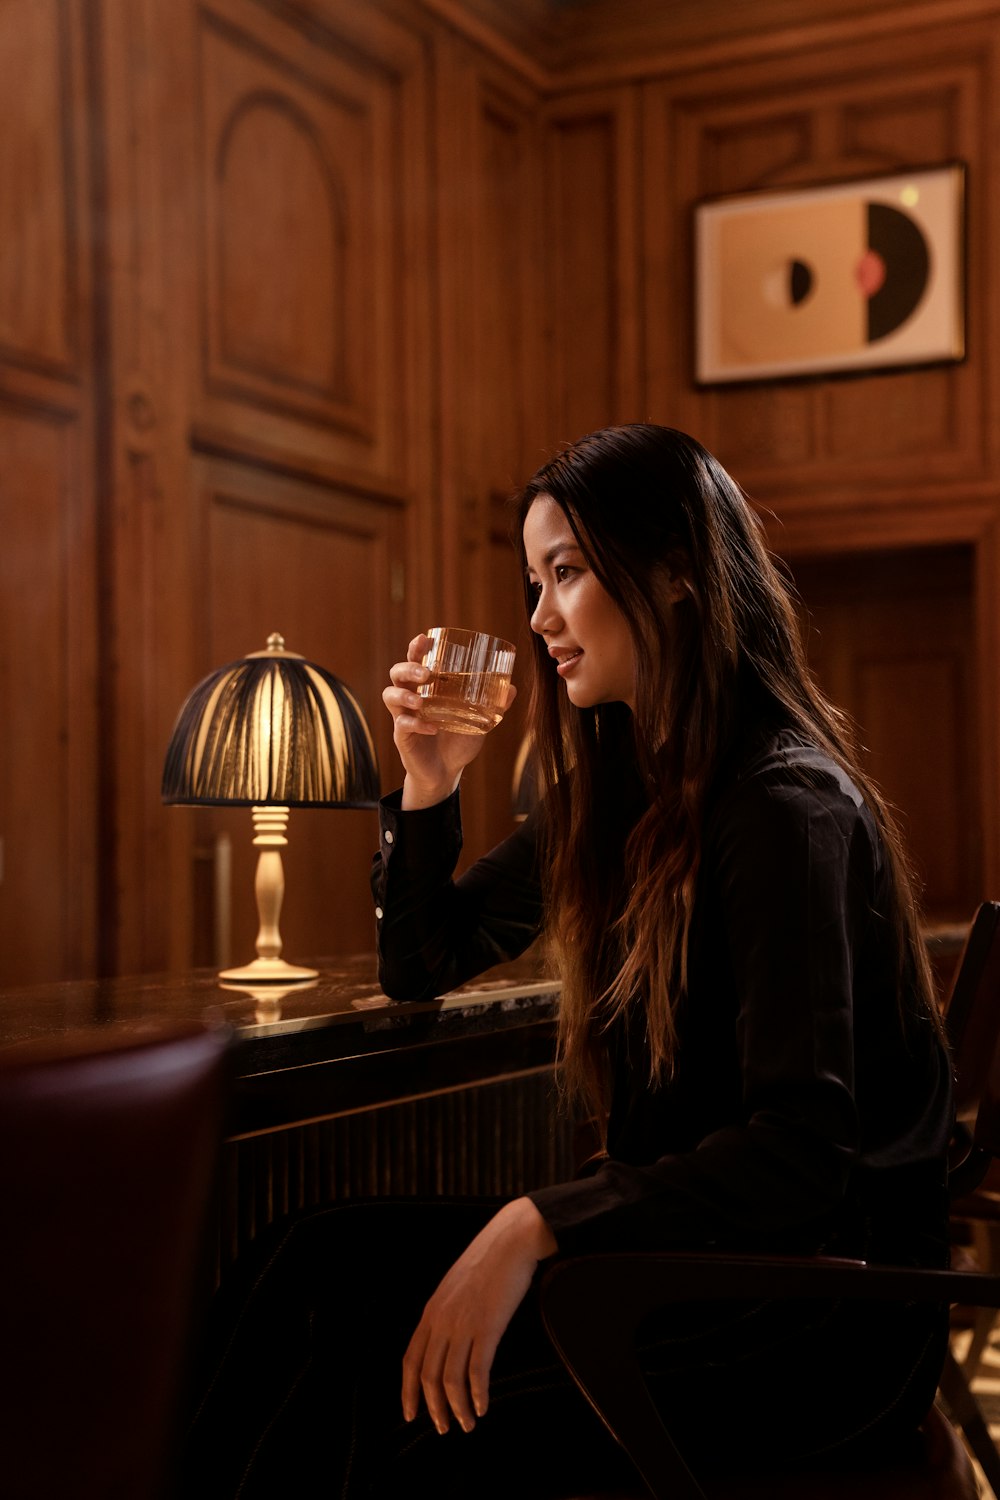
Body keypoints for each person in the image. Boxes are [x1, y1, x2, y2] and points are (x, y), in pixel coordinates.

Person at [178, 424, 954, 1498]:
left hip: (818, 1314)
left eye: (568, 571)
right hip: (686, 1263)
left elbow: (800, 1154)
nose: (539, 615)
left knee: (412, 1427)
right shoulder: (624, 791)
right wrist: (430, 781)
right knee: (308, 1265)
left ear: (676, 573)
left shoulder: (782, 804)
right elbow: (423, 959)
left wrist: (537, 1222)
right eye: (532, 579)